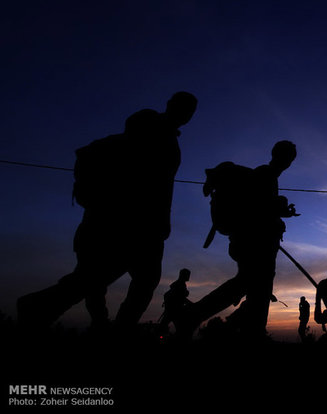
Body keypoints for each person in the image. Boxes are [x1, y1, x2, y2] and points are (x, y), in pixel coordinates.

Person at [16, 92, 198, 334]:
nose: (186, 115)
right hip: (132, 223)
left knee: (107, 279)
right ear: (171, 106)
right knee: (100, 279)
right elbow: (144, 182)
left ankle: (47, 309)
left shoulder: (165, 137)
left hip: (143, 224)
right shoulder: (152, 131)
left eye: (190, 111)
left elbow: (160, 186)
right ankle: (41, 307)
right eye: (183, 108)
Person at [179, 141, 299, 340]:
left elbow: (260, 209)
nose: (288, 162)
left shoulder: (266, 176)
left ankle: (243, 329)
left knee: (253, 288)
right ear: (277, 155)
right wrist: (278, 209)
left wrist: (280, 211)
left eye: (290, 158)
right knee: (254, 287)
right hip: (254, 244)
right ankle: (197, 316)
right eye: (287, 157)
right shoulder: (265, 175)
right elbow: (255, 210)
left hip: (254, 243)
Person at [159, 269, 193, 333]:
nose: (189, 277)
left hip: (172, 310)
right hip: (174, 310)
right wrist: (191, 304)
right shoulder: (180, 284)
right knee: (181, 329)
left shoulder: (180, 284)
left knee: (163, 326)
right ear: (183, 275)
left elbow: (181, 297)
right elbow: (181, 297)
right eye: (188, 275)